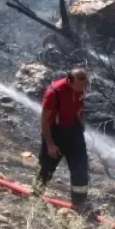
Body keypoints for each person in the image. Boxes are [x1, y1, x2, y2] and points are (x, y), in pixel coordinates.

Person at [32, 68, 93, 220]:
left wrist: (81, 123)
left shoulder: (81, 87)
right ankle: (35, 197)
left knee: (80, 167)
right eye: (80, 85)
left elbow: (80, 105)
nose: (83, 89)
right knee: (46, 167)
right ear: (69, 81)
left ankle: (79, 202)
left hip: (73, 130)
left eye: (84, 85)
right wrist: (50, 144)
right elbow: (45, 121)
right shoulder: (54, 93)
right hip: (55, 133)